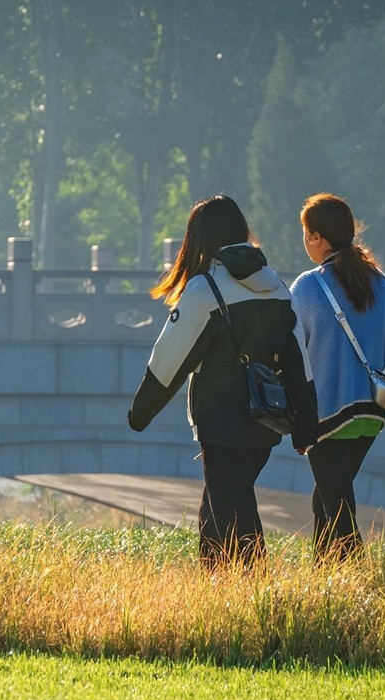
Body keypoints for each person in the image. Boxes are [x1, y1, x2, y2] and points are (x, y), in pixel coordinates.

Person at [128, 195, 317, 569]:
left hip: (221, 423)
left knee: (233, 512)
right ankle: (215, 591)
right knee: (217, 509)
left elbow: (168, 361)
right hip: (266, 421)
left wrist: (139, 414)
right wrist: (306, 427)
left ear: (198, 238)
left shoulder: (205, 290)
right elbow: (299, 359)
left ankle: (258, 596)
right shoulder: (277, 286)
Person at [289, 193, 385, 562]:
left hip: (328, 413)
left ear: (317, 238)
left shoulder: (307, 287)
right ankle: (324, 577)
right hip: (370, 413)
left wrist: (288, 407)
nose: (305, 241)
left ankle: (360, 579)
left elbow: (289, 350)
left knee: (337, 506)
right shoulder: (381, 284)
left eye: (306, 233)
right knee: (327, 499)